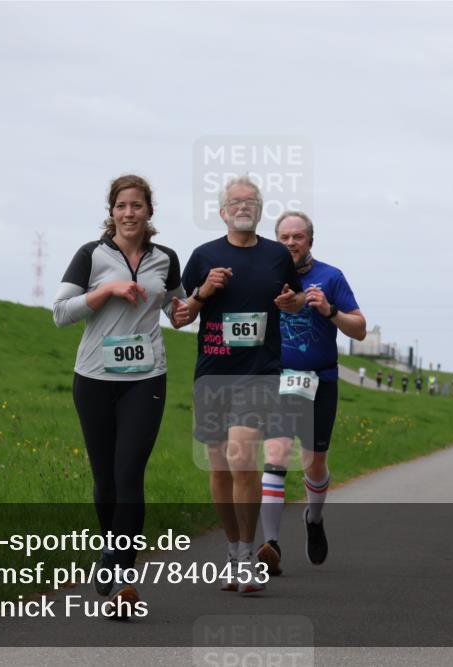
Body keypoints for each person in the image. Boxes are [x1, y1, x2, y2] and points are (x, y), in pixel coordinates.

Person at [53, 174, 188, 617]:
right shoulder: (91, 255)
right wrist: (106, 290)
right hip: (93, 378)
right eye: (121, 206)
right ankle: (110, 547)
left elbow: (177, 312)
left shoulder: (166, 259)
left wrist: (198, 301)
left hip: (146, 378)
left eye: (137, 205)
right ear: (111, 212)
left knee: (130, 474)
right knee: (105, 479)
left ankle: (126, 575)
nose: (129, 213)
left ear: (150, 212)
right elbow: (60, 313)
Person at [177, 176, 304, 595]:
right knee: (219, 469)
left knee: (241, 456)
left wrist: (292, 303)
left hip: (259, 372)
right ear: (222, 211)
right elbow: (180, 317)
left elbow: (296, 298)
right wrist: (202, 291)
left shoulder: (276, 256)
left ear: (260, 209)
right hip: (213, 371)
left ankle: (248, 555)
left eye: (251, 201)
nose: (243, 206)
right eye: (235, 201)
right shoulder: (202, 256)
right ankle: (232, 552)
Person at [257, 211, 366, 575]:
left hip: (321, 379)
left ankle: (314, 518)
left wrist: (330, 310)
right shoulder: (265, 275)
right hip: (278, 378)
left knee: (314, 461)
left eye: (297, 237)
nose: (290, 243)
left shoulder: (331, 277)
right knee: (275, 454)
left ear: (310, 241)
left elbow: (360, 329)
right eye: (284, 237)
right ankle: (270, 545)